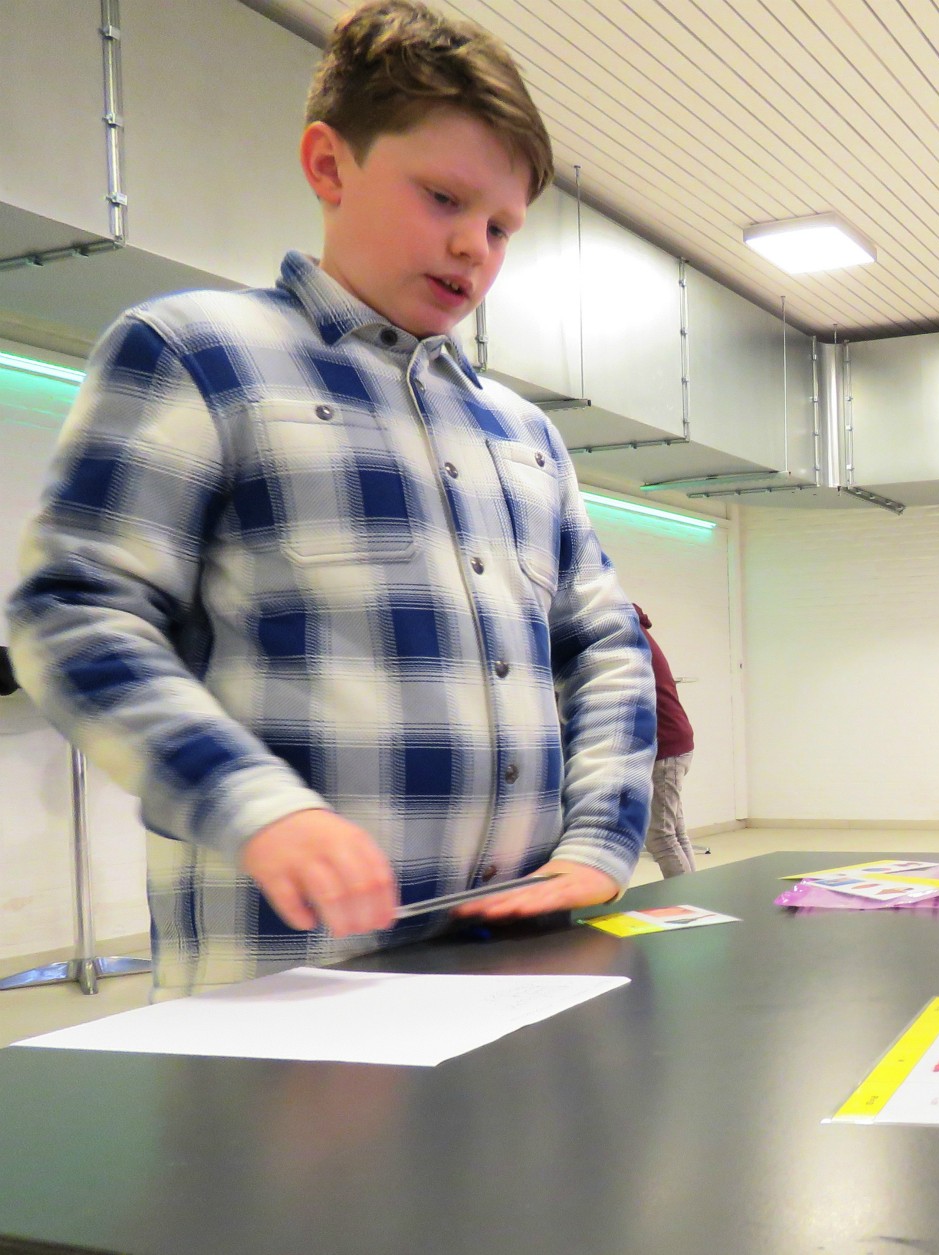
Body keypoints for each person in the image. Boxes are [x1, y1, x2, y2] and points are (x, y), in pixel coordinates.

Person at [5, 0, 655, 995]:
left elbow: (606, 649)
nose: (473, 246)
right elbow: (73, 616)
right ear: (328, 165)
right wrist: (260, 806)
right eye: (443, 197)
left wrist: (599, 843)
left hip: (517, 955)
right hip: (290, 981)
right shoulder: (197, 353)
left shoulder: (524, 436)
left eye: (499, 226)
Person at [633, 603, 697, 877]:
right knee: (675, 831)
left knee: (660, 836)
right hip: (675, 741)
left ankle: (686, 903)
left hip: (665, 745)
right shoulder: (636, 631)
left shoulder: (625, 637)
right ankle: (692, 895)